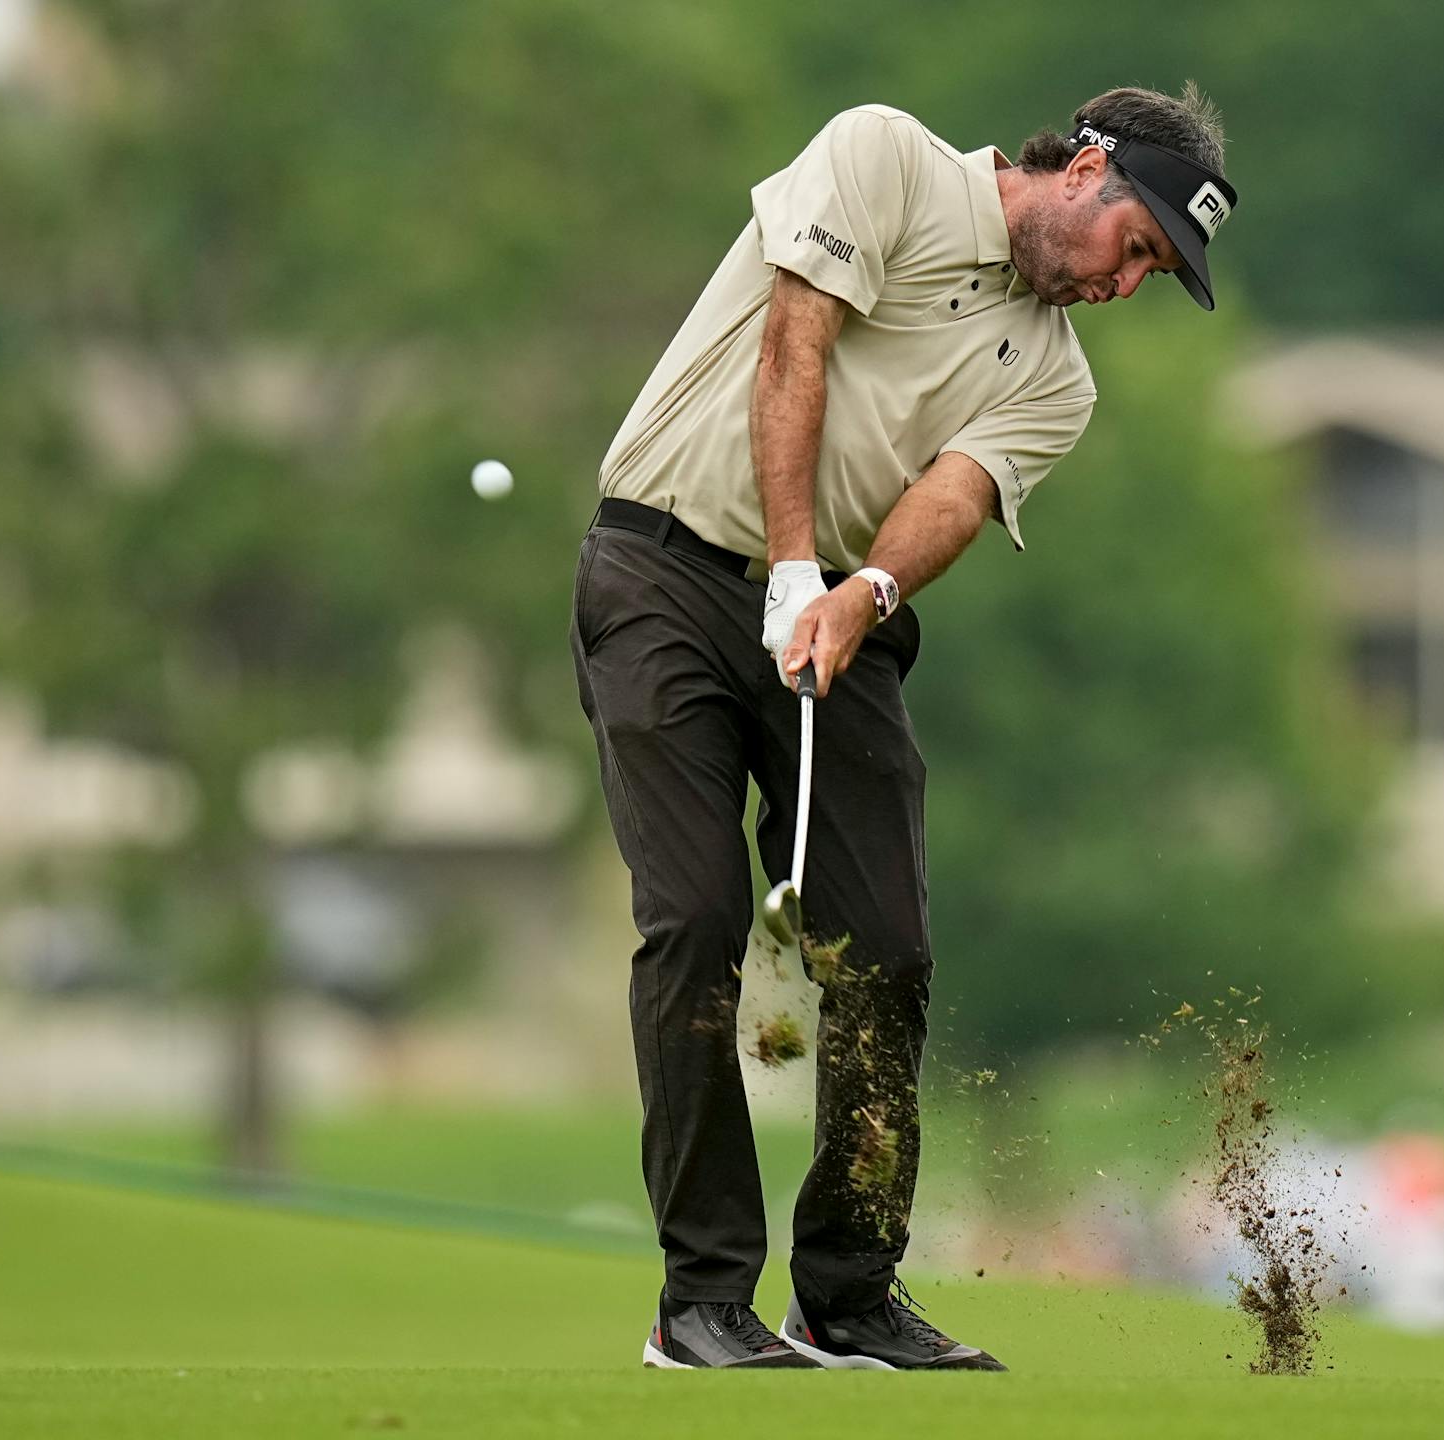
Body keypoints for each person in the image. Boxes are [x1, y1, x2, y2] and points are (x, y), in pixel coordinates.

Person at [571, 85, 1237, 1371]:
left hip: (839, 614)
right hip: (661, 574)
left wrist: (860, 592)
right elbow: (794, 345)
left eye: (1153, 270)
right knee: (699, 919)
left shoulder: (1057, 381)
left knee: (885, 945)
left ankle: (848, 1293)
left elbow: (951, 495)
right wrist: (786, 569)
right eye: (1137, 246)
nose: (1126, 284)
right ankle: (699, 1303)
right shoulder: (884, 159)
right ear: (1087, 167)